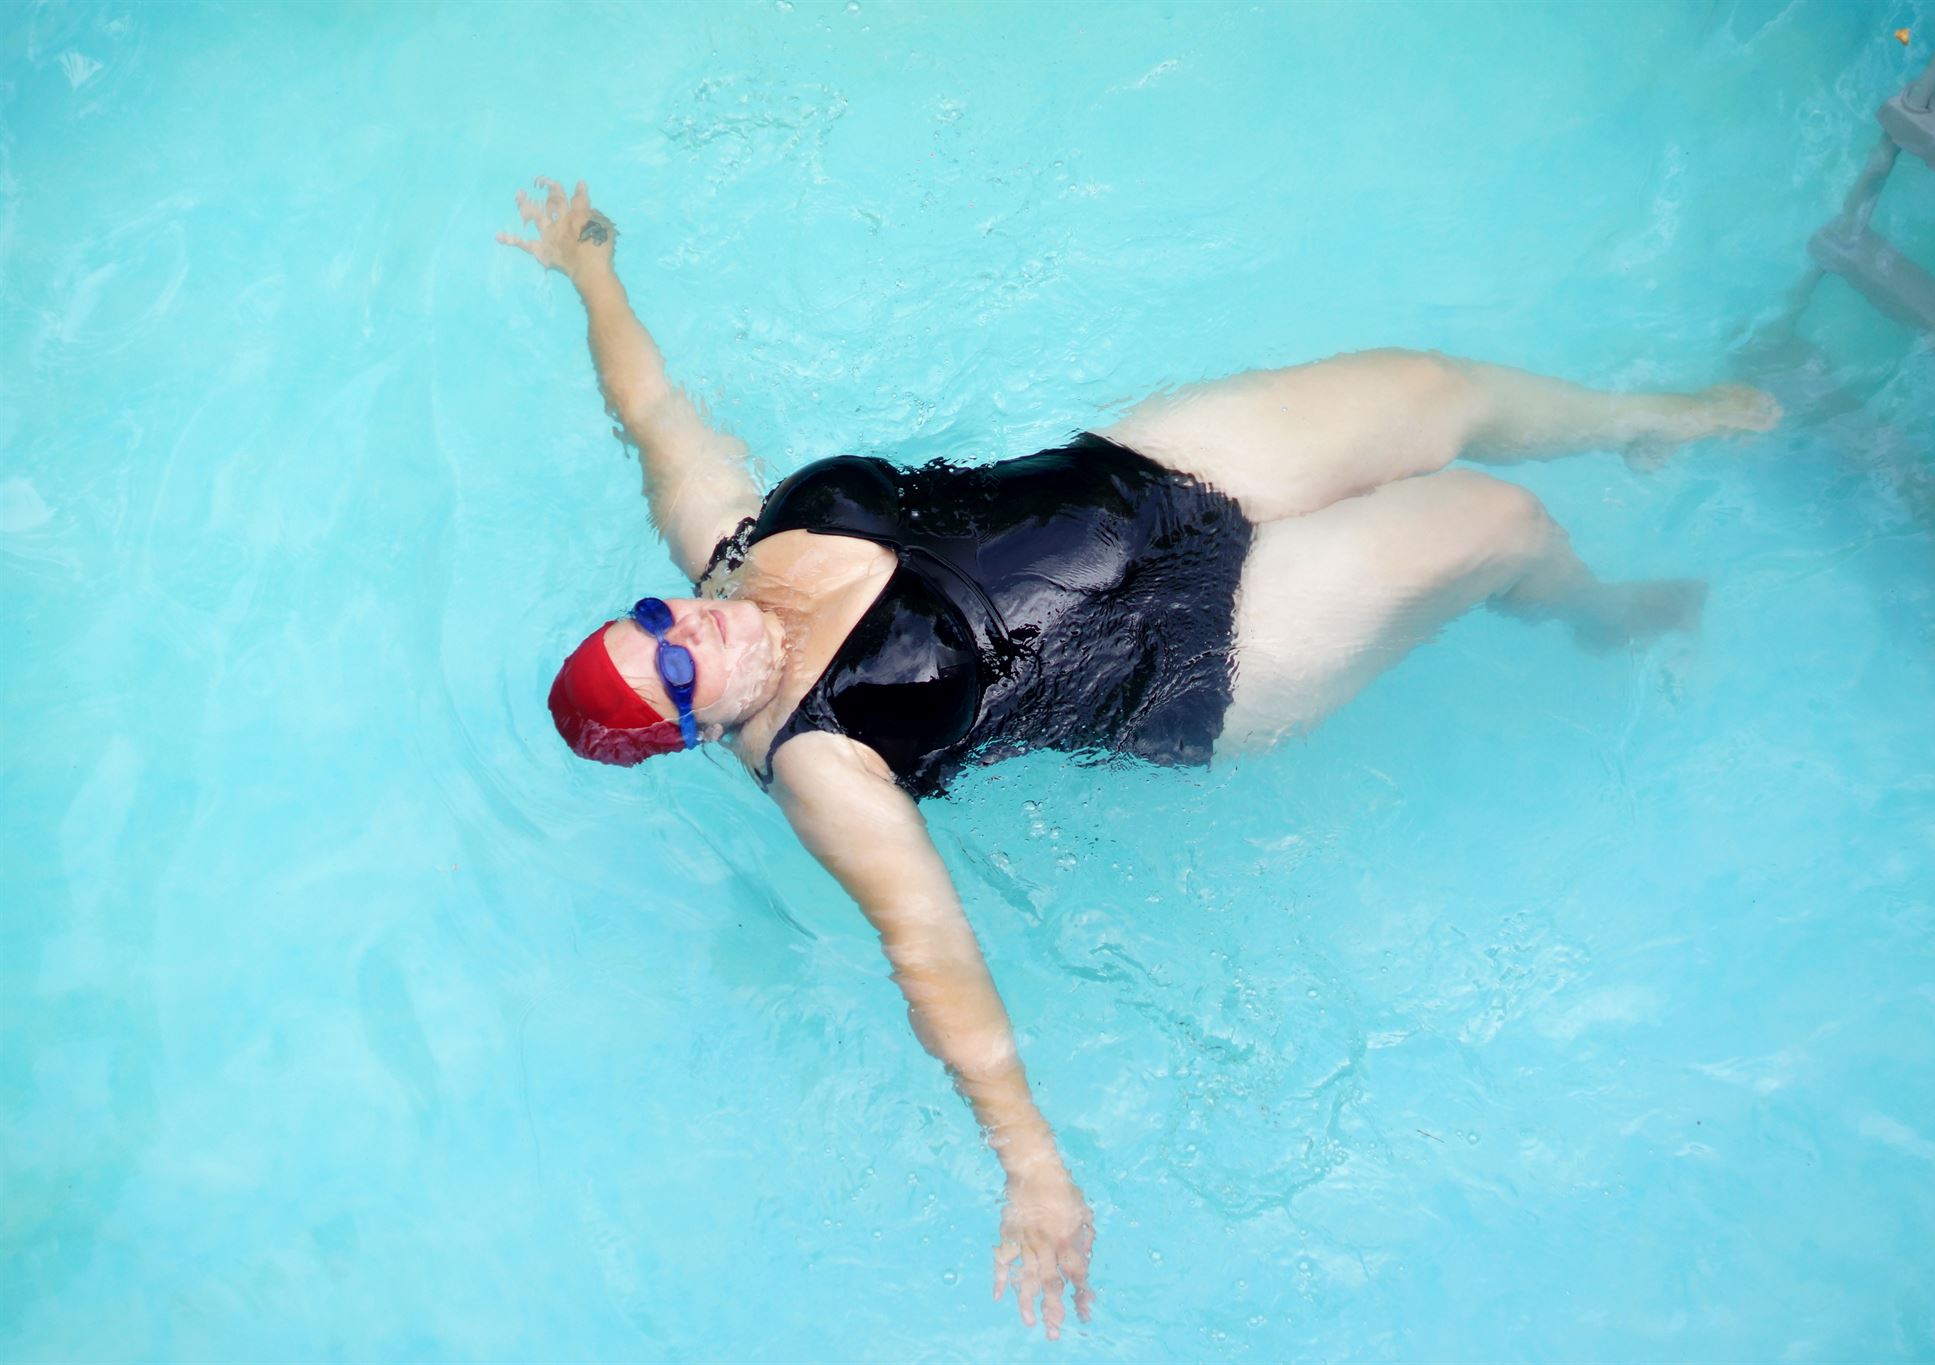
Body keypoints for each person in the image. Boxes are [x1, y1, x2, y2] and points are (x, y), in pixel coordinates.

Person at [499, 177, 1779, 1339]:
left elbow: (653, 410)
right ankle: (1605, 617)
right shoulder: (822, 763)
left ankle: (1641, 421)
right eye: (671, 668)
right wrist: (1032, 1167)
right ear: (684, 728)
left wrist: (591, 269)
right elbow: (929, 954)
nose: (688, 629)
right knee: (1496, 522)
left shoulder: (728, 546)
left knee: (1431, 392)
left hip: (1142, 480)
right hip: (1190, 653)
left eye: (654, 620)